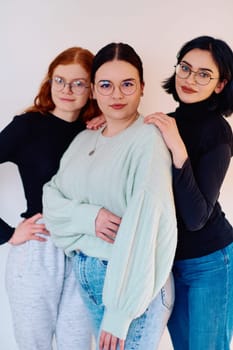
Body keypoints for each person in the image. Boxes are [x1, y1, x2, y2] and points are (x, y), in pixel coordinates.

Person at [42, 42, 177, 350]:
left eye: (127, 84)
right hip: (91, 280)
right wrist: (89, 218)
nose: (116, 95)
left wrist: (120, 312)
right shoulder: (84, 139)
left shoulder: (148, 139)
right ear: (93, 90)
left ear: (142, 88)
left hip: (129, 288)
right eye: (106, 85)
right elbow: (51, 197)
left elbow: (147, 226)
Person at [0, 46, 103, 350]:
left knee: (78, 344)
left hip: (85, 249)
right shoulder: (27, 127)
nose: (67, 90)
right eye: (59, 80)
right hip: (39, 247)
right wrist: (6, 234)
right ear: (49, 82)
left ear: (93, 89)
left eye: (78, 83)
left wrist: (108, 124)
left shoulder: (100, 131)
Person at [144, 35, 233, 350]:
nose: (190, 79)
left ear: (220, 85)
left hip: (210, 261)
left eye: (204, 74)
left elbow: (196, 217)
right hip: (170, 262)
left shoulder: (218, 131)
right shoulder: (166, 123)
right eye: (185, 67)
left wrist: (179, 150)